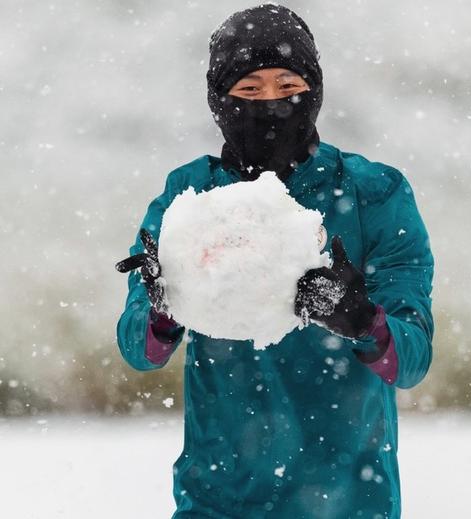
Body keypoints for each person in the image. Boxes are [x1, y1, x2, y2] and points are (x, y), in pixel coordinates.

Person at [115, 3, 434, 518]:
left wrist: (365, 322)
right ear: (220, 100)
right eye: (249, 90)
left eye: (289, 88)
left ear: (316, 92)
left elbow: (413, 359)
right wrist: (162, 311)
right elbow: (138, 350)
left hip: (349, 498)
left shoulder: (374, 192)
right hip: (218, 497)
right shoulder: (190, 194)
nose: (271, 105)